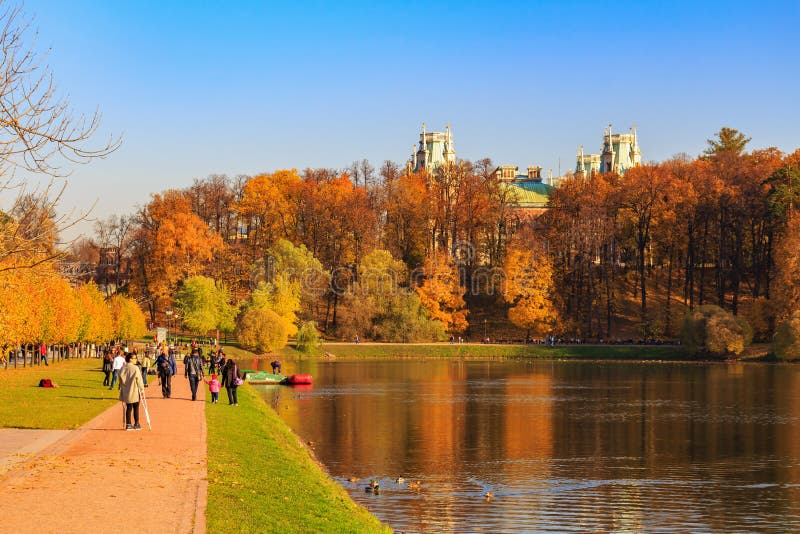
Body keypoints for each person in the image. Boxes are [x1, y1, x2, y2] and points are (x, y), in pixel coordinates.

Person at [119, 354, 144, 430]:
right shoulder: (135, 368)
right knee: (136, 407)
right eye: (134, 358)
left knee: (129, 407)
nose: (136, 359)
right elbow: (139, 380)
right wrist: (142, 389)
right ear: (130, 359)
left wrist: (122, 387)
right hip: (134, 390)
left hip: (126, 390)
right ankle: (136, 423)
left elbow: (120, 379)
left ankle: (128, 424)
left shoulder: (123, 368)